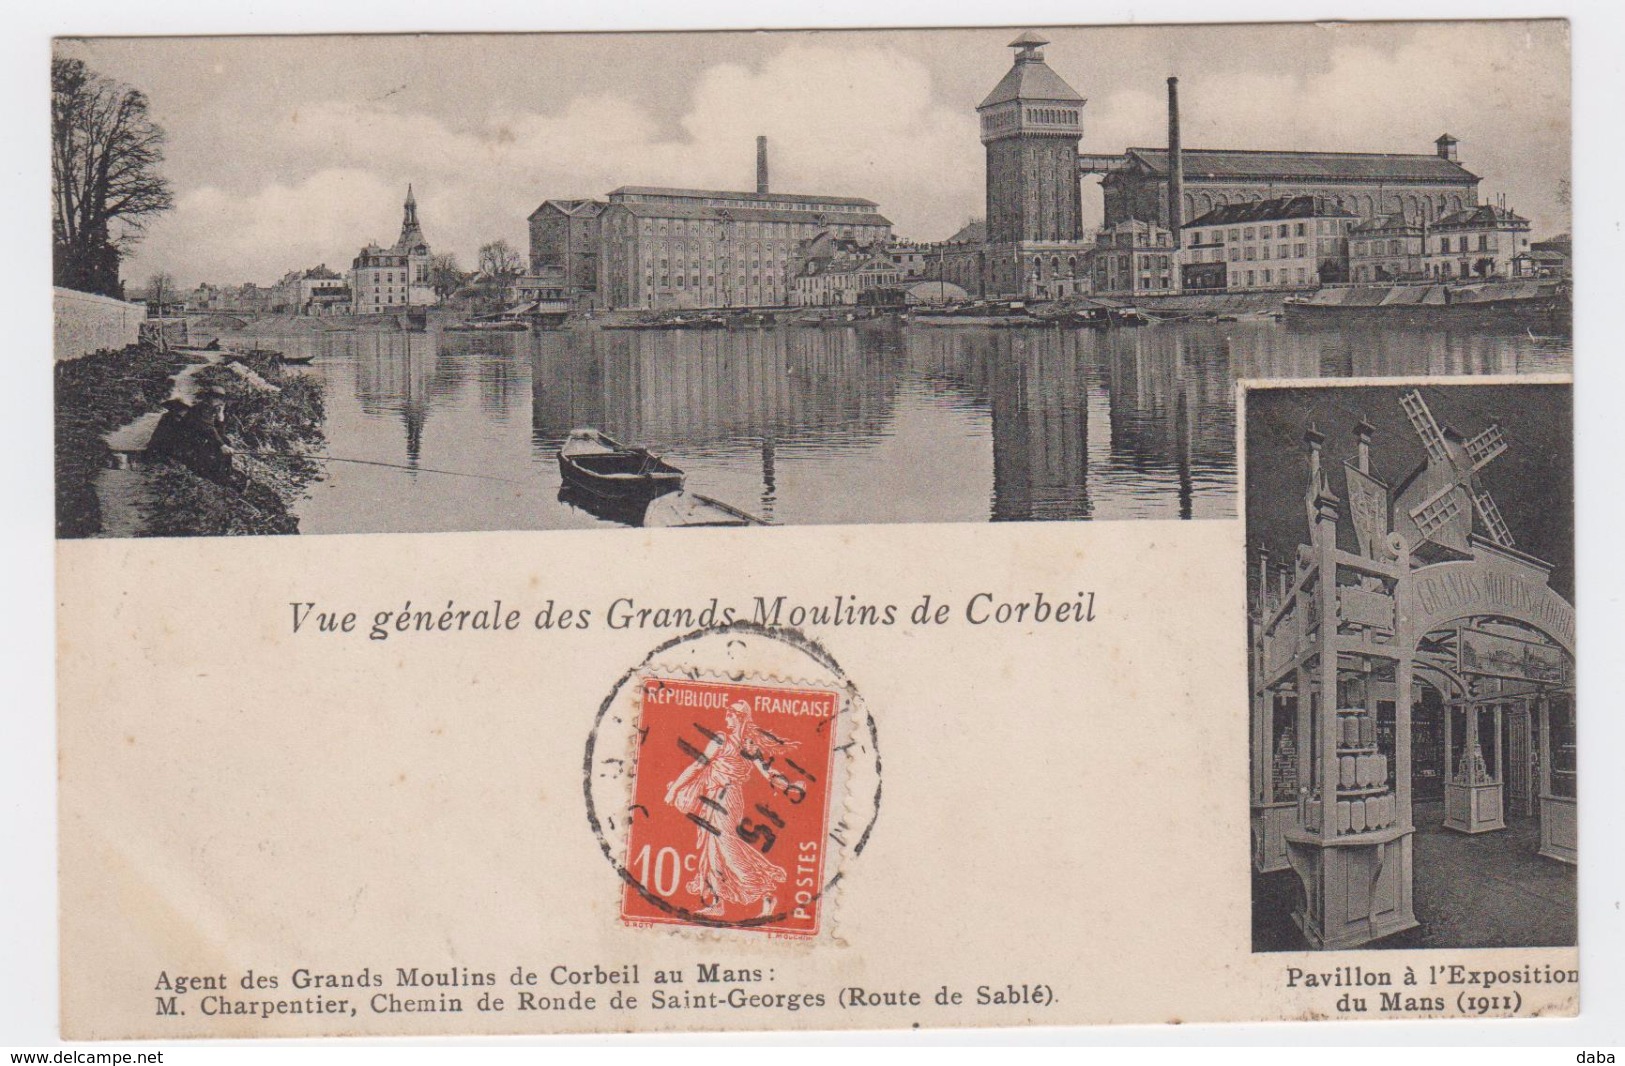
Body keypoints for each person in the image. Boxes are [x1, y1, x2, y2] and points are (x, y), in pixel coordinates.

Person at [663, 701, 802, 918]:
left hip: (728, 797)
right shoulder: (726, 741)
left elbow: (767, 773)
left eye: (729, 715)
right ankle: (717, 902)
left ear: (737, 717)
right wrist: (677, 788)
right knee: (712, 850)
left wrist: (789, 787)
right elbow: (699, 765)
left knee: (726, 845)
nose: (726, 718)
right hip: (712, 797)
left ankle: (764, 893)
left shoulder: (746, 746)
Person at [144, 386, 240, 488]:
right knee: (208, 458)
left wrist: (220, 419)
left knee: (225, 441)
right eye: (217, 398)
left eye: (221, 399)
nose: (220, 402)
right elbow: (208, 429)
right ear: (209, 398)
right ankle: (219, 477)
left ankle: (226, 473)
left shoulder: (211, 410)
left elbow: (219, 433)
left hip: (195, 442)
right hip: (185, 444)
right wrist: (222, 445)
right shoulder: (202, 409)